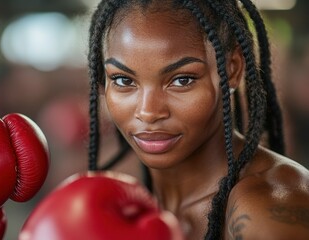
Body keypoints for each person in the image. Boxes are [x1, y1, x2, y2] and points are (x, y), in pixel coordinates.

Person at [82, 0, 309, 239]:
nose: (148, 112)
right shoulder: (127, 197)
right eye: (123, 80)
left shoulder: (267, 206)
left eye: (182, 80)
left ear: (231, 69)